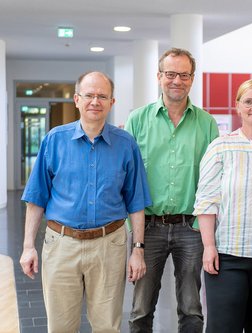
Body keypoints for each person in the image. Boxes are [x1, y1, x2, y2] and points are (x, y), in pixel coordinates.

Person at [19, 71, 151, 333]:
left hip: (109, 246)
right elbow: (36, 198)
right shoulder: (54, 140)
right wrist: (27, 247)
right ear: (77, 100)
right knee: (60, 327)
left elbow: (136, 202)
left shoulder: (126, 145)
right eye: (89, 95)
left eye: (102, 96)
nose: (95, 101)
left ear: (112, 103)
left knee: (107, 327)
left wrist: (138, 250)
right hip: (61, 245)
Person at [125, 47, 219, 333]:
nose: (176, 80)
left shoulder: (206, 123)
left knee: (192, 309)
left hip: (190, 227)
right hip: (148, 228)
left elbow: (214, 180)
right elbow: (128, 177)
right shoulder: (137, 120)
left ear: (192, 79)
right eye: (170, 74)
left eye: (183, 75)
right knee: (141, 309)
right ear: (159, 76)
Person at [194, 78, 252, 333]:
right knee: (223, 328)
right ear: (238, 106)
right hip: (228, 257)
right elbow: (206, 202)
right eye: (248, 101)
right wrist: (209, 246)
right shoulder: (221, 147)